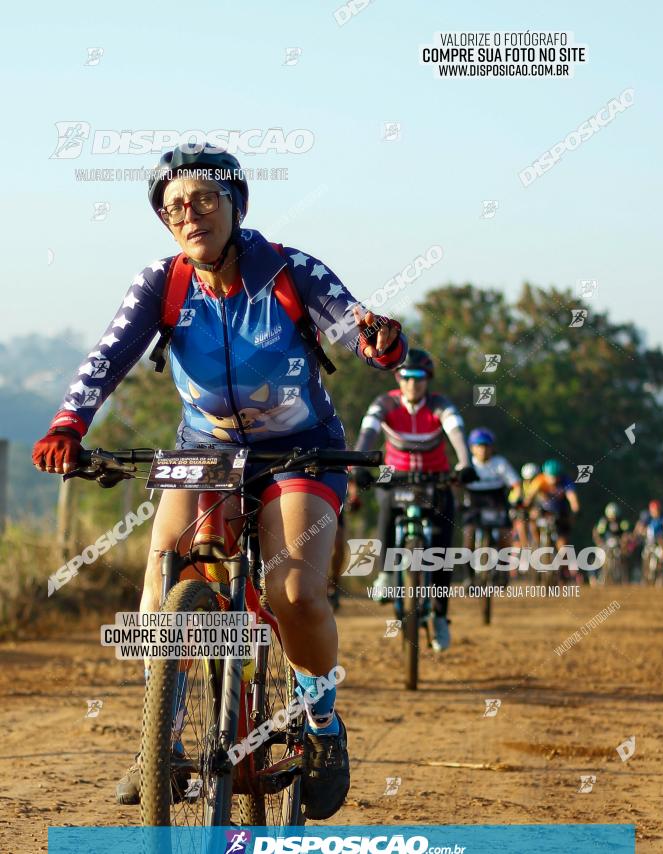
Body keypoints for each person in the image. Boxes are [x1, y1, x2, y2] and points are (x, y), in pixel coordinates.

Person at [31, 143, 407, 820]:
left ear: (236, 204)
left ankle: (321, 724)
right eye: (173, 205)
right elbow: (107, 357)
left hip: (301, 449)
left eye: (204, 197)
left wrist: (379, 343)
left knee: (293, 593)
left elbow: (354, 328)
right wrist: (67, 423)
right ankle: (162, 741)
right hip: (205, 446)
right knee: (160, 584)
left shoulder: (291, 270)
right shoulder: (162, 283)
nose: (189, 213)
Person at [347, 348, 474, 652]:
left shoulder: (439, 405)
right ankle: (386, 574)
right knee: (387, 511)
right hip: (397, 476)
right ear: (397, 378)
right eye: (406, 377)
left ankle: (441, 616)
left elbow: (456, 430)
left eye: (419, 378)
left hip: (436, 477)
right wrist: (359, 466)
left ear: (427, 381)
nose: (412, 384)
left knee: (443, 545)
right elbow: (368, 434)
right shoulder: (385, 403)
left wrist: (465, 463)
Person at [462, 428, 521, 567]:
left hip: (497, 505)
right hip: (474, 507)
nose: (483, 450)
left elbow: (516, 485)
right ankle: (468, 576)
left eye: (486, 446)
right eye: (479, 446)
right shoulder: (467, 465)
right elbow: (456, 485)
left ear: (492, 447)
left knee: (504, 536)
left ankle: (503, 568)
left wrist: (515, 500)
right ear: (471, 448)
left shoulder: (500, 463)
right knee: (467, 541)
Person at [523, 459, 580, 574]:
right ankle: (537, 543)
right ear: (545, 474)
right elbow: (529, 497)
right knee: (532, 520)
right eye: (550, 476)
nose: (553, 480)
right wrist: (525, 508)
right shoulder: (539, 480)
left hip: (560, 511)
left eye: (556, 476)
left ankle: (563, 569)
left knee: (563, 542)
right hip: (542, 510)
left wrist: (576, 510)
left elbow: (572, 498)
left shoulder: (565, 481)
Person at [634, 500, 663, 583]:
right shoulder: (647, 517)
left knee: (662, 549)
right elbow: (639, 526)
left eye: (656, 510)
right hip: (649, 542)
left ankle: (661, 566)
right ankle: (644, 576)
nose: (655, 512)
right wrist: (639, 532)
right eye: (653, 510)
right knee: (644, 557)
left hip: (659, 542)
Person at [592, 502, 631, 583]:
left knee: (624, 556)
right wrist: (599, 542)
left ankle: (625, 577)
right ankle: (594, 576)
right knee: (598, 556)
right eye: (611, 516)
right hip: (606, 544)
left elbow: (626, 532)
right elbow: (597, 533)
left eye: (614, 515)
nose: (613, 518)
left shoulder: (622, 521)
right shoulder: (604, 521)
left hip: (618, 544)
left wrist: (624, 540)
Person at [509, 462, 539, 548]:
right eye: (528, 479)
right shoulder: (520, 487)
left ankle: (539, 545)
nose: (531, 481)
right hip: (521, 513)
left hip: (535, 513)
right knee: (520, 524)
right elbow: (512, 501)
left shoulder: (541, 485)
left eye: (533, 479)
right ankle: (525, 546)